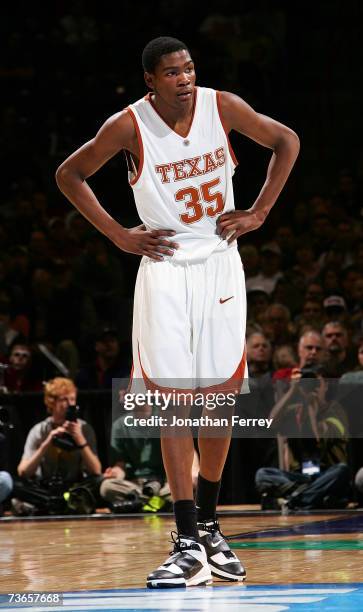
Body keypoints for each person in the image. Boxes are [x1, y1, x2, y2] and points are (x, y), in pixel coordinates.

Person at [55, 36, 299, 588]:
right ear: (151, 80)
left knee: (217, 398)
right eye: (172, 72)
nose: (185, 78)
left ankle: (211, 529)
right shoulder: (128, 125)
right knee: (174, 403)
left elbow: (287, 141)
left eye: (189, 68)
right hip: (165, 268)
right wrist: (118, 234)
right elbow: (69, 174)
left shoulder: (223, 106)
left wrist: (259, 212)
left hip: (219, 263)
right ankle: (186, 537)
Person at [13, 377, 101, 515]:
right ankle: (53, 504)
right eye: (64, 400)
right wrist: (47, 442)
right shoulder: (39, 430)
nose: (69, 404)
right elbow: (23, 471)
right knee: (16, 484)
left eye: (72, 399)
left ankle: (56, 504)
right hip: (46, 487)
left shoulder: (84, 428)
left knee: (99, 481)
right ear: (51, 402)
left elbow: (96, 470)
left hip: (74, 487)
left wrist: (80, 439)